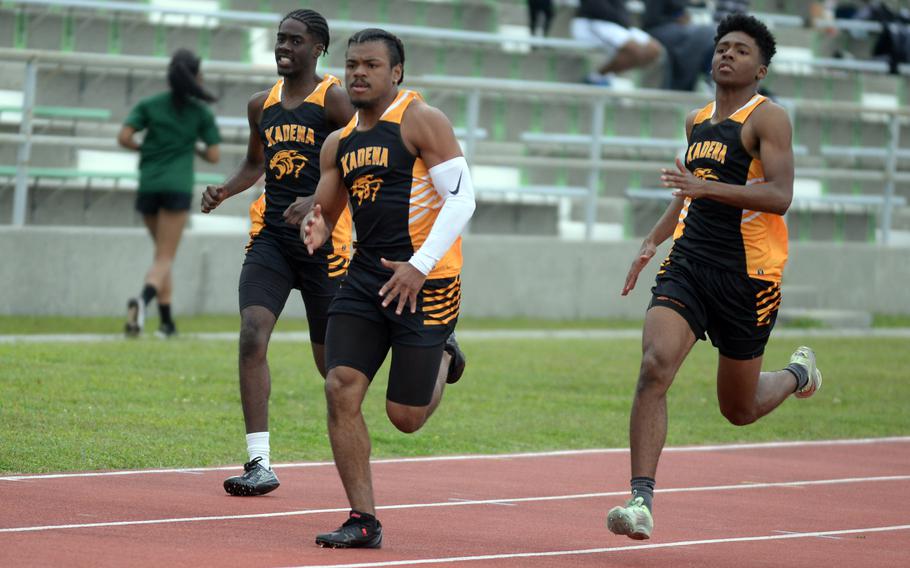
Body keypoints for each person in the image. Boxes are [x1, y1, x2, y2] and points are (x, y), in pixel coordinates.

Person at [607, 14, 823, 540]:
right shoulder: (696, 120)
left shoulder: (768, 118)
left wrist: (706, 191)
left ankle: (798, 375)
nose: (727, 54)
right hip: (688, 265)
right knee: (654, 367)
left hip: (748, 277)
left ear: (760, 68)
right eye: (722, 46)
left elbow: (780, 196)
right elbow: (687, 191)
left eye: (741, 50)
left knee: (739, 409)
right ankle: (640, 502)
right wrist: (653, 240)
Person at [300, 28, 473, 549]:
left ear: (395, 72)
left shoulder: (421, 119)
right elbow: (327, 210)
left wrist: (418, 266)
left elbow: (463, 201)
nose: (358, 72)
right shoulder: (339, 142)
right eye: (352, 64)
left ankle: (444, 354)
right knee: (340, 387)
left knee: (406, 419)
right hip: (364, 280)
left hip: (428, 282)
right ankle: (363, 520)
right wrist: (317, 225)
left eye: (371, 65)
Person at [199, 9, 355, 496]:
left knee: (332, 367)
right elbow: (255, 162)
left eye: (295, 40)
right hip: (271, 239)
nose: (283, 47)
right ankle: (258, 462)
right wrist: (224, 190)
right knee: (251, 334)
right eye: (280, 39)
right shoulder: (259, 104)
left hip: (322, 241)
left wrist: (319, 201)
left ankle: (430, 351)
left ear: (318, 48)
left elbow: (363, 154)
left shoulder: (333, 98)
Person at [119, 48, 220, 338]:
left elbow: (124, 137)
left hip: (149, 184)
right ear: (196, 76)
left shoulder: (150, 105)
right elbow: (213, 155)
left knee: (161, 256)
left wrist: (147, 149)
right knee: (164, 257)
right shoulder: (199, 112)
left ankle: (167, 323)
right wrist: (192, 146)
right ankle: (142, 301)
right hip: (176, 186)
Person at [570, 0, 663, 86]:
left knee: (653, 50)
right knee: (634, 49)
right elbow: (596, 8)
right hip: (594, 21)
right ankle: (596, 78)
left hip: (619, 24)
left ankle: (599, 77)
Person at [643, 0, 716, 91]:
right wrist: (677, 20)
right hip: (658, 30)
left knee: (709, 34)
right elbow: (651, 20)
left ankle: (713, 79)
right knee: (704, 34)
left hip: (682, 28)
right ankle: (682, 85)